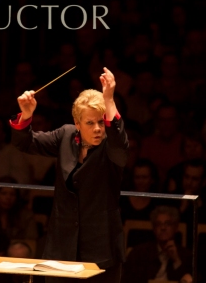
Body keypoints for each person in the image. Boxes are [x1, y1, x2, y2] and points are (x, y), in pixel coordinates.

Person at [9, 67, 128, 282]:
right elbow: (25, 143)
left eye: (101, 122)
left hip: (102, 250)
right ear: (77, 123)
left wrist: (109, 99)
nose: (98, 129)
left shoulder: (112, 145)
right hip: (61, 246)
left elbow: (120, 142)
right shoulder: (65, 135)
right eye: (90, 123)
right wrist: (27, 114)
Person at [122, 206, 192, 283]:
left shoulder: (186, 255)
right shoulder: (138, 253)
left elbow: (190, 278)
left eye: (167, 223)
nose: (163, 227)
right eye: (158, 224)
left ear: (176, 227)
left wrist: (176, 261)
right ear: (154, 228)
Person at [119, 159, 162, 223]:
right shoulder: (122, 199)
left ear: (152, 179)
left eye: (144, 177)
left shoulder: (158, 202)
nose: (140, 181)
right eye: (137, 177)